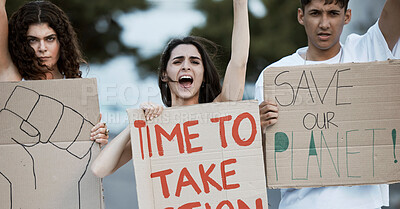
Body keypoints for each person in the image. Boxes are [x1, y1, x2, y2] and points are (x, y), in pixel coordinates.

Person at [255, 0, 400, 208]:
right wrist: (257, 130)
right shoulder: (275, 77)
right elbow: (258, 164)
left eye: (333, 13)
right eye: (315, 13)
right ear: (301, 16)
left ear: (347, 16)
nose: (324, 23)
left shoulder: (366, 52)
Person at [90, 0, 250, 179]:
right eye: (177, 61)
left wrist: (240, 4)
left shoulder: (218, 114)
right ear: (165, 74)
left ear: (204, 75)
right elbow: (99, 170)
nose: (186, 67)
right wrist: (135, 124)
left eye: (195, 62)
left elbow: (239, 61)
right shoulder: (154, 129)